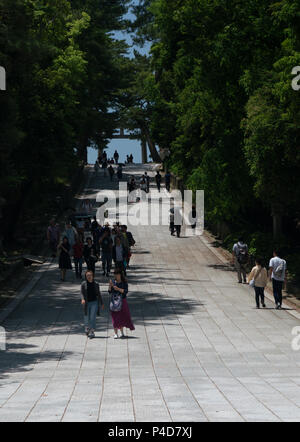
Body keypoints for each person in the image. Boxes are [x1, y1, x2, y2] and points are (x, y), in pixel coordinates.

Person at [108, 269, 135, 339]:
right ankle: (116, 333)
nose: (116, 275)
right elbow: (109, 292)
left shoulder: (124, 282)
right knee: (114, 317)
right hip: (114, 301)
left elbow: (125, 291)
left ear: (120, 274)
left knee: (122, 317)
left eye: (117, 274)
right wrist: (110, 286)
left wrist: (118, 289)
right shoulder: (113, 281)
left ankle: (122, 332)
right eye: (115, 274)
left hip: (123, 301)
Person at [81, 270, 104, 338]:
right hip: (86, 303)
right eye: (87, 275)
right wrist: (82, 299)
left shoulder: (96, 284)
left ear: (93, 276)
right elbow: (81, 293)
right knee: (86, 316)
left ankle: (92, 331)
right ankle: (87, 327)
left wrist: (101, 303)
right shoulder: (83, 284)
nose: (89, 277)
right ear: (85, 276)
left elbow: (99, 294)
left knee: (92, 317)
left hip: (94, 302)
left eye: (90, 275)